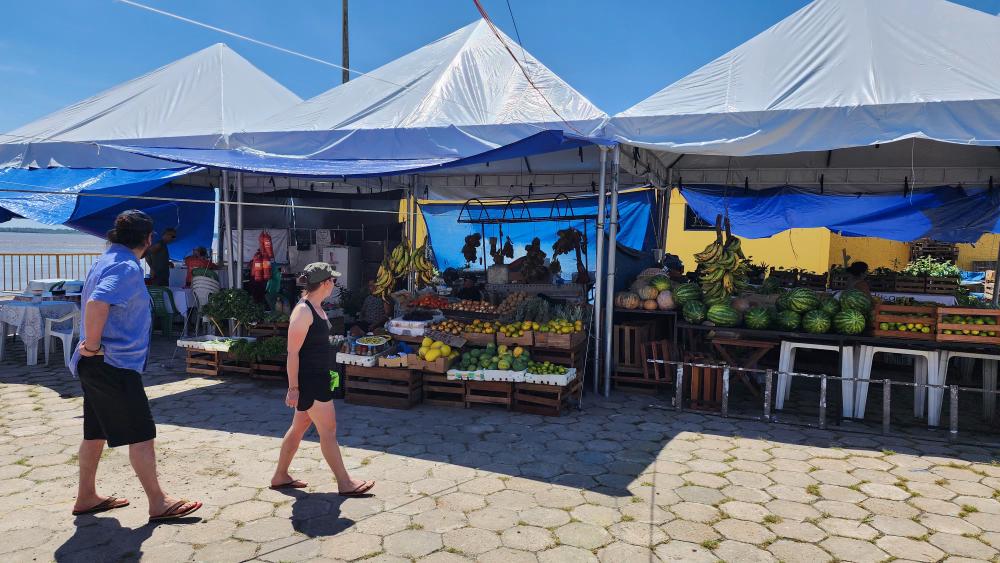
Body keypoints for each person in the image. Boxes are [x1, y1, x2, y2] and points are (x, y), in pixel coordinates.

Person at [71, 210, 202, 521]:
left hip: (98, 364)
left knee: (95, 433)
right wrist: (92, 345)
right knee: (142, 433)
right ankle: (158, 502)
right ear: (148, 238)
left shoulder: (106, 259)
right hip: (112, 363)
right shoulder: (126, 266)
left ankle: (86, 496)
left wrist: (90, 349)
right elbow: (96, 303)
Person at [271, 263, 375, 496]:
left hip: (318, 376)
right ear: (325, 283)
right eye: (333, 280)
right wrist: (293, 388)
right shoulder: (303, 311)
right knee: (329, 429)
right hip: (310, 380)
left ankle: (280, 475)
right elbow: (293, 353)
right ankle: (345, 482)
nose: (334, 284)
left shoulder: (317, 307)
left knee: (298, 428)